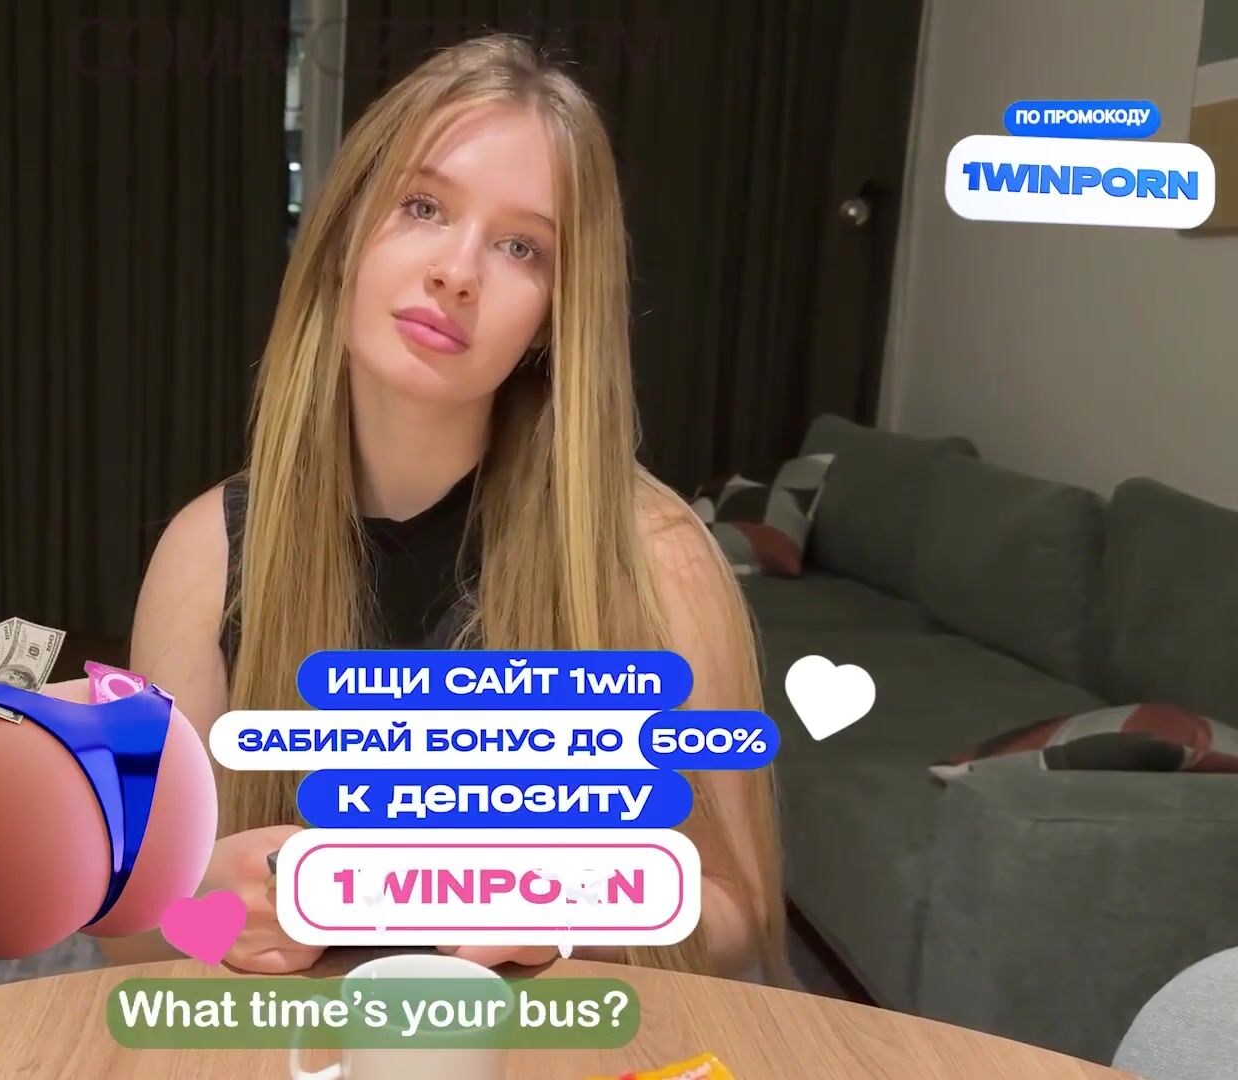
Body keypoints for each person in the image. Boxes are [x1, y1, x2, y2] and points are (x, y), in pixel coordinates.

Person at [109, 33, 787, 984]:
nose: (457, 272)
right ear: (344, 234)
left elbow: (741, 911)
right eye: (423, 207)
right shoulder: (206, 551)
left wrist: (569, 914)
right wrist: (203, 897)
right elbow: (131, 931)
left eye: (521, 247)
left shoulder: (653, 555)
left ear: (553, 313)